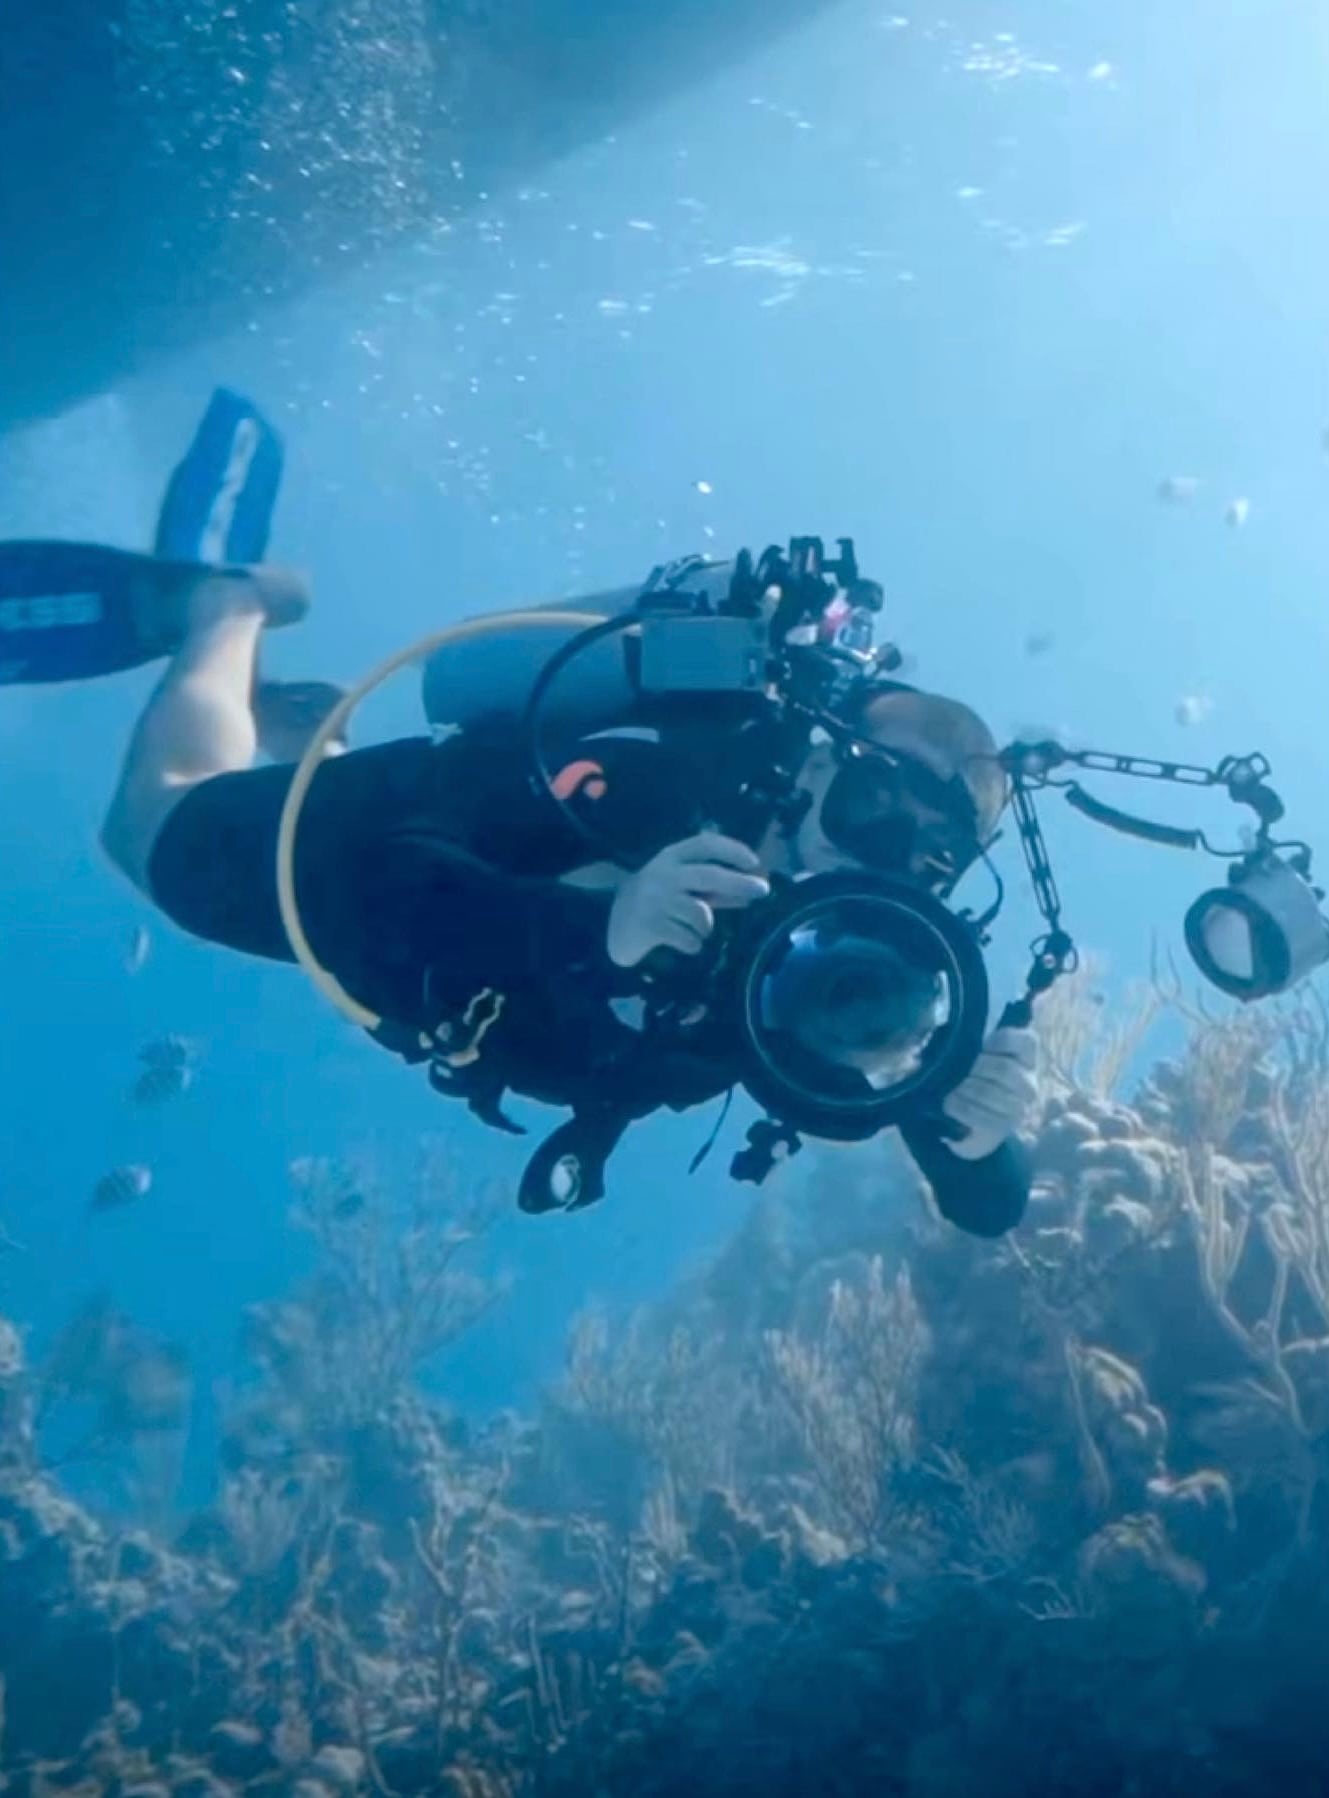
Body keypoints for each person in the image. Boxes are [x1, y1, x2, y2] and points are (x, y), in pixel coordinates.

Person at [100, 569, 1039, 1238]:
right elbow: (392, 876)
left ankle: (313, 738)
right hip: (413, 850)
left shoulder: (876, 962)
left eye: (929, 852)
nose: (878, 854)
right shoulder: (665, 782)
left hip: (521, 1029)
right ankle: (227, 611)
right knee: (150, 833)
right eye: (869, 804)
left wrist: (981, 1139)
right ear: (819, 763)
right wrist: (602, 925)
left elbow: (980, 1204)